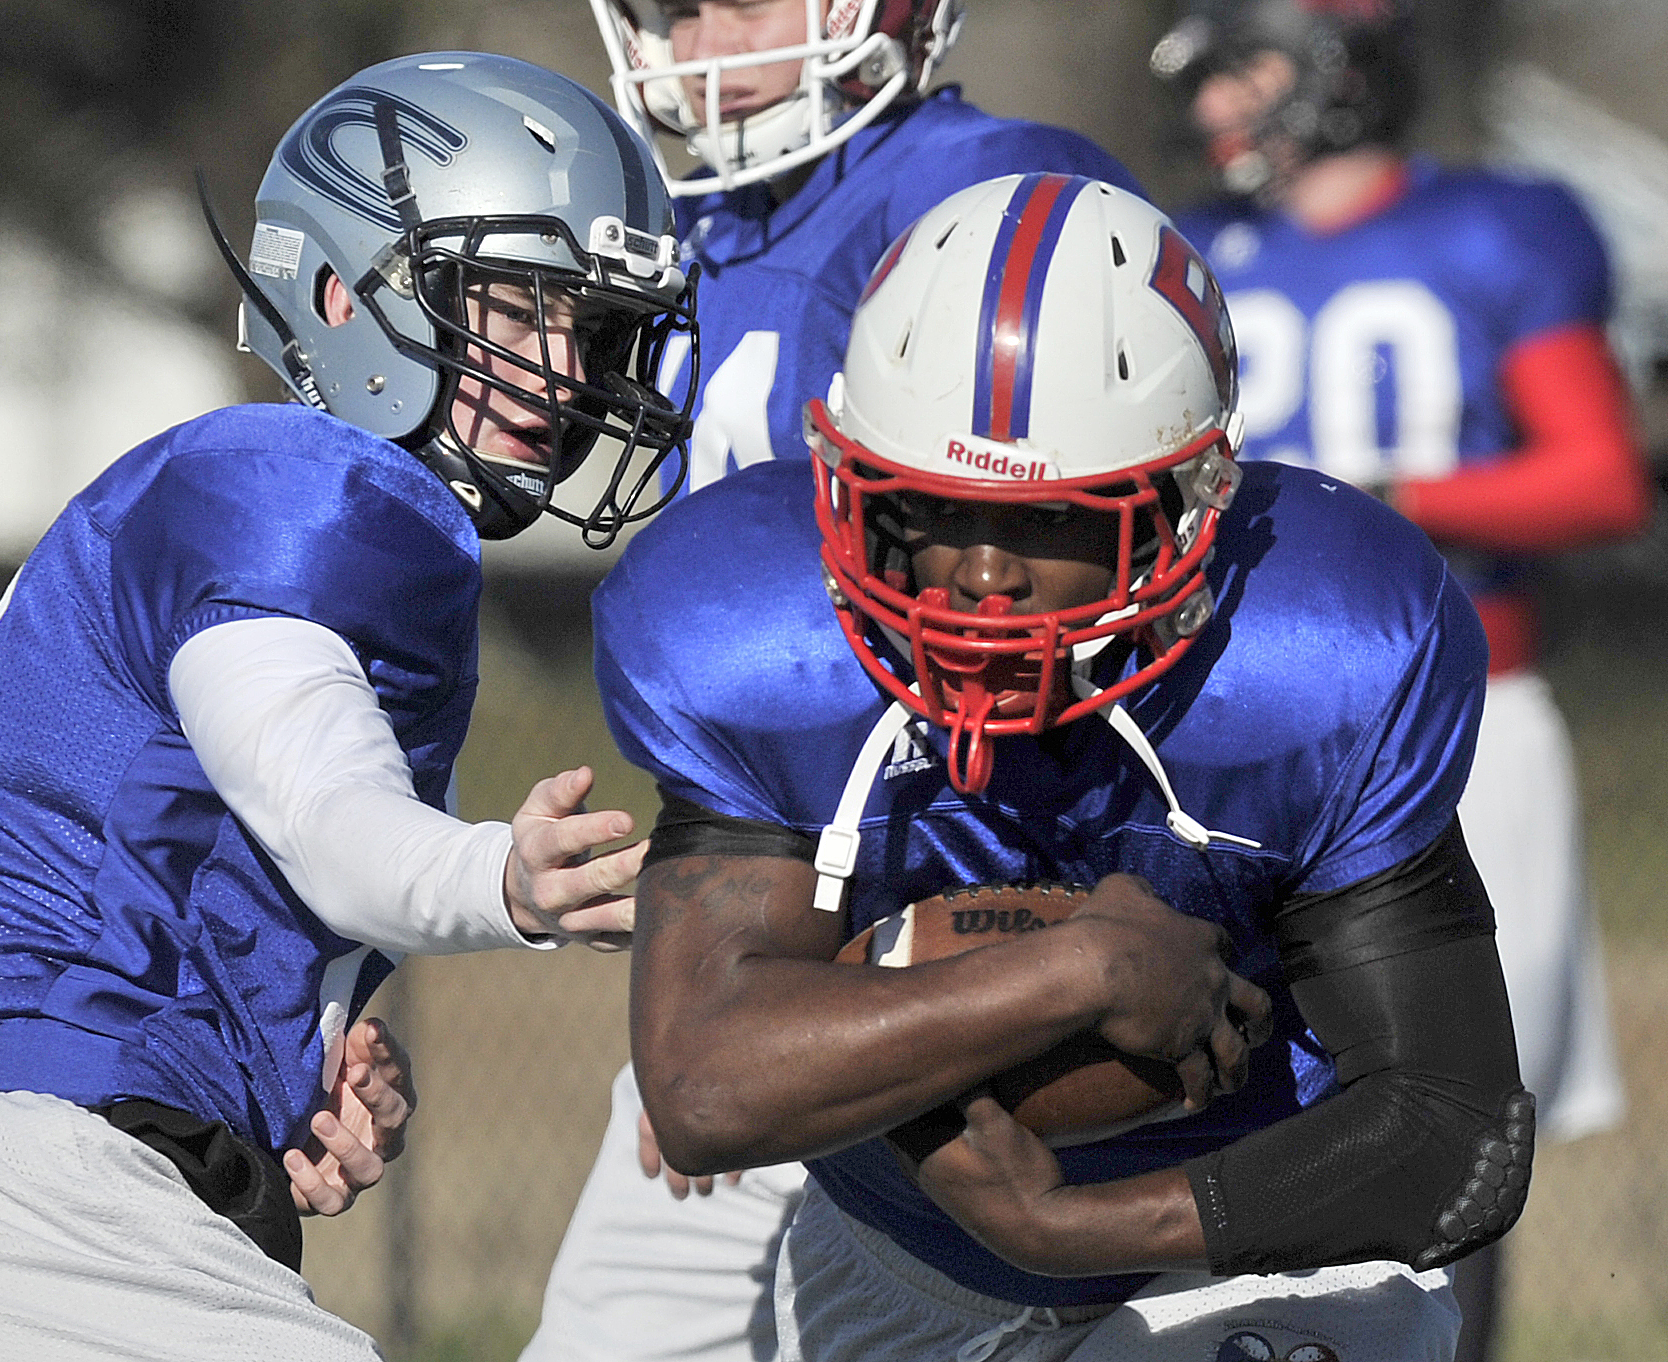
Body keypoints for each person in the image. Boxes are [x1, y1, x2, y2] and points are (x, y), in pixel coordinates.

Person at [0, 52, 695, 1361]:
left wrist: (274, 1081)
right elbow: (329, 814)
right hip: (23, 1196)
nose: (566, 373)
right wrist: (503, 878)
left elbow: (185, 876)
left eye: (592, 328)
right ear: (343, 291)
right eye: (519, 309)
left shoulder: (247, 505)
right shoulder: (297, 488)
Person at [600, 171, 1531, 1362]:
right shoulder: (757, 635)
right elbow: (702, 1088)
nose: (984, 577)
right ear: (848, 490)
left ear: (1187, 503)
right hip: (893, 1267)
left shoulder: (1317, 649)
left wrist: (1064, 1228)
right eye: (933, 512)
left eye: (1052, 521)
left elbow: (1450, 1126)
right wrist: (1075, 972)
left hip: (1246, 1264)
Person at [524, 6, 1147, 1359]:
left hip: (940, 914)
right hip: (772, 920)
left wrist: (786, 1007)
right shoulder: (697, 222)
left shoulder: (985, 190)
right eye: (672, 7)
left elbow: (1036, 617)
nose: (694, 36)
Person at [1149, 3, 1653, 1355]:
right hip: (1228, 730)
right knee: (1217, 1078)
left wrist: (1369, 504)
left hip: (1466, 716)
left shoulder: (1495, 228)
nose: (1213, 110)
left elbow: (1600, 471)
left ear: (1338, 70)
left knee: (1455, 1099)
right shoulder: (1190, 250)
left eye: (1243, 71)